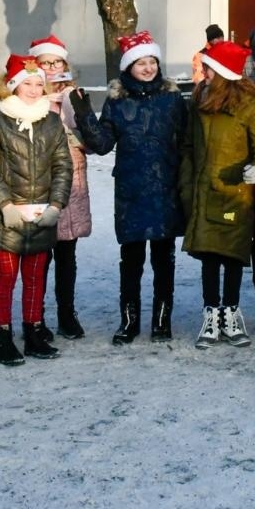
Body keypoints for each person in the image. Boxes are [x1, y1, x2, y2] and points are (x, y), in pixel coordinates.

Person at [76, 31, 188, 344]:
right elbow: (101, 144)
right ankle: (129, 321)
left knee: (164, 261)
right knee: (132, 262)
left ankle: (162, 321)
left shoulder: (172, 99)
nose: (148, 67)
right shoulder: (117, 102)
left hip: (165, 187)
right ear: (129, 66)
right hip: (132, 191)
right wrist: (84, 114)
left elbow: (187, 140)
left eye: (152, 61)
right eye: (142, 62)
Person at [0, 55, 73, 365]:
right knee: (6, 276)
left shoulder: (51, 120)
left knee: (35, 277)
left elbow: (62, 165)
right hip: (8, 216)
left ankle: (33, 332)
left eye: (38, 84)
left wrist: (57, 204)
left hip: (42, 213)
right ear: (13, 86)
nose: (33, 89)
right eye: (27, 83)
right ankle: (2, 338)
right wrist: (4, 204)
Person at [182, 38, 255, 349]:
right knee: (208, 255)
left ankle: (231, 313)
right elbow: (189, 146)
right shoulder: (199, 101)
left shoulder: (250, 105)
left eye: (207, 68)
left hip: (234, 192)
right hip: (204, 189)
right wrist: (187, 183)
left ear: (221, 72)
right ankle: (211, 314)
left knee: (232, 255)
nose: (202, 73)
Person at [30, 35, 93, 341]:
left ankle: (66, 314)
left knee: (67, 254)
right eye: (46, 63)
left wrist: (80, 114)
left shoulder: (72, 96)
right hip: (38, 182)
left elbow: (92, 140)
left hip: (71, 183)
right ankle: (35, 316)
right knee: (40, 255)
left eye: (57, 63)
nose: (53, 68)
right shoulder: (28, 97)